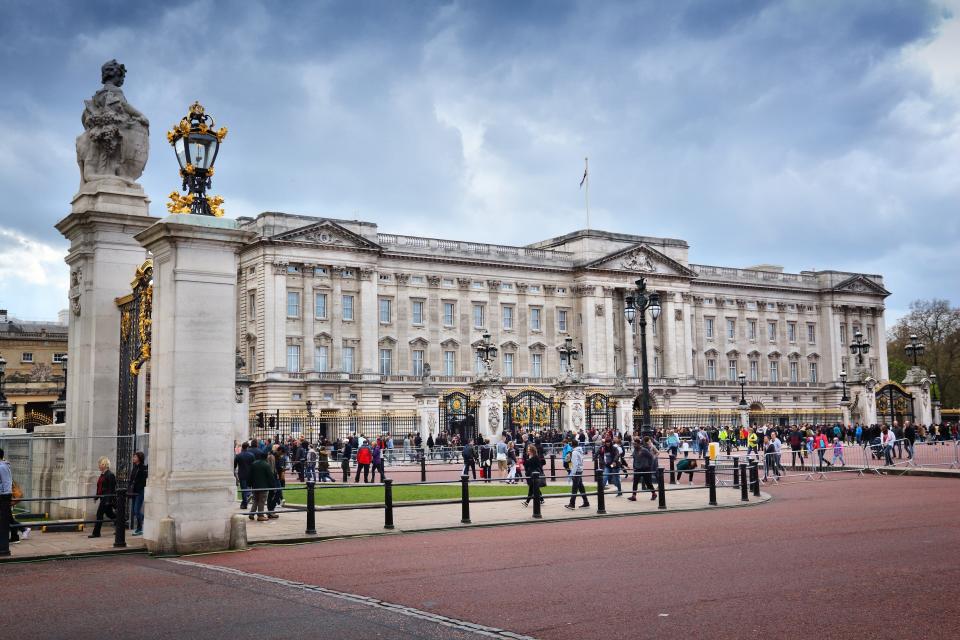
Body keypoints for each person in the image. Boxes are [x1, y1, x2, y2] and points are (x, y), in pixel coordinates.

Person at [89, 457, 117, 538]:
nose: (99, 466)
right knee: (110, 514)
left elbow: (111, 489)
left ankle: (96, 533)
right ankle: (121, 523)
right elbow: (100, 487)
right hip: (103, 498)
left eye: (100, 464)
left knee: (99, 514)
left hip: (106, 498)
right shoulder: (103, 474)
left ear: (104, 465)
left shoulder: (110, 475)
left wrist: (108, 500)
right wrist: (97, 497)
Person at [0, 447, 22, 544]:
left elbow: (6, 482)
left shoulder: (2, 467)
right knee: (8, 517)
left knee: (7, 517)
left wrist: (6, 496)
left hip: (3, 496)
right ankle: (15, 536)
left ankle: (15, 536)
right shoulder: (2, 465)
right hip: (3, 495)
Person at [629, 436, 658, 501]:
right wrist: (634, 466)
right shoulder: (635, 450)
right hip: (637, 469)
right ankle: (634, 496)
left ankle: (654, 493)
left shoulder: (644, 450)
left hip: (645, 469)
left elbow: (651, 457)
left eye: (635, 444)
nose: (634, 445)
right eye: (633, 444)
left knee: (648, 483)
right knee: (635, 483)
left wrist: (649, 465)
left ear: (639, 444)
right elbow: (635, 458)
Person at [248, 451, 274, 522]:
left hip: (255, 485)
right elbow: (270, 476)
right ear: (266, 457)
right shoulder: (266, 465)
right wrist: (273, 485)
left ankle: (252, 513)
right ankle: (260, 515)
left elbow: (250, 474)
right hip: (263, 486)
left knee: (255, 500)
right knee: (261, 501)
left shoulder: (254, 464)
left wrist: (249, 484)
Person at [564, 440, 590, 510]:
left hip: (576, 471)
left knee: (574, 488)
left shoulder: (574, 452)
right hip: (579, 470)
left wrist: (572, 474)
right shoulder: (579, 451)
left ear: (572, 445)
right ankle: (586, 502)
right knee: (580, 487)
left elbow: (574, 464)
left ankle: (572, 504)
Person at [128, 451, 148, 536]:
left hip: (140, 491)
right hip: (134, 491)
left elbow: (143, 481)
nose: (133, 458)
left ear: (139, 458)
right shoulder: (134, 467)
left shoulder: (143, 468)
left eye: (135, 457)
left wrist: (137, 486)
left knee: (136, 510)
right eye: (133, 457)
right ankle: (145, 519)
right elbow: (131, 480)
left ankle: (140, 528)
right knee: (134, 511)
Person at [234, 442, 255, 508]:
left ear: (242, 447)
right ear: (247, 447)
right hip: (250, 474)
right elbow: (253, 465)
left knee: (243, 489)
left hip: (242, 474)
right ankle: (248, 495)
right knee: (248, 487)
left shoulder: (238, 455)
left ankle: (245, 503)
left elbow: (234, 465)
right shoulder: (251, 455)